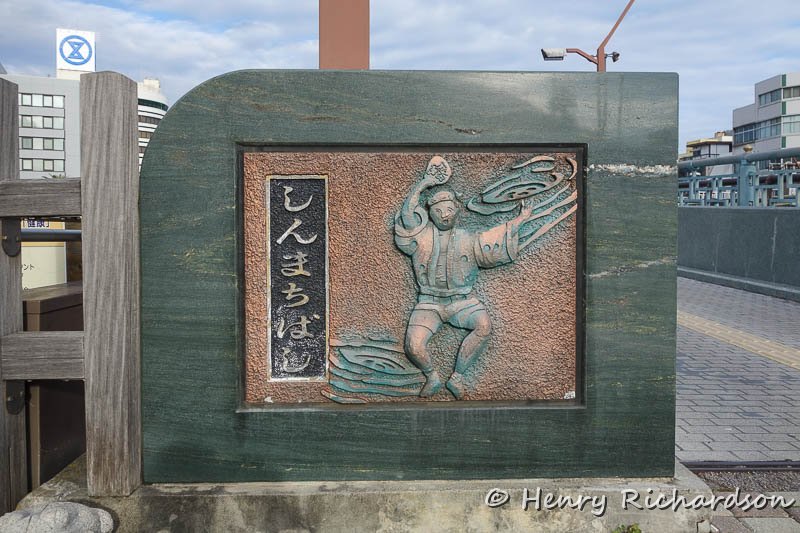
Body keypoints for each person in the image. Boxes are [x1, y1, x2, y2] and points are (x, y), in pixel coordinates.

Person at [395, 156, 533, 399]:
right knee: (413, 346)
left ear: (457, 211)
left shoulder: (469, 239)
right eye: (439, 211)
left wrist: (520, 220)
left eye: (449, 210)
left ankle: (457, 377)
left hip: (462, 302)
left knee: (483, 325)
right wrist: (425, 183)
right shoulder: (420, 237)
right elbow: (407, 215)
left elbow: (496, 240)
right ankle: (432, 376)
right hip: (428, 303)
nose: (444, 215)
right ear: (430, 213)